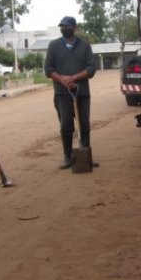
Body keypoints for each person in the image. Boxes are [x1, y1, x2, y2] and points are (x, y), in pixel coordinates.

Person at [44, 16, 97, 169]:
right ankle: (67, 156)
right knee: (66, 125)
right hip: (62, 93)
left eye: (67, 27)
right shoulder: (53, 46)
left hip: (82, 93)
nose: (64, 29)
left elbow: (91, 69)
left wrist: (74, 77)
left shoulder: (85, 46)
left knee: (84, 124)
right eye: (62, 27)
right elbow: (48, 69)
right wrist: (63, 80)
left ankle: (85, 154)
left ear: (75, 28)